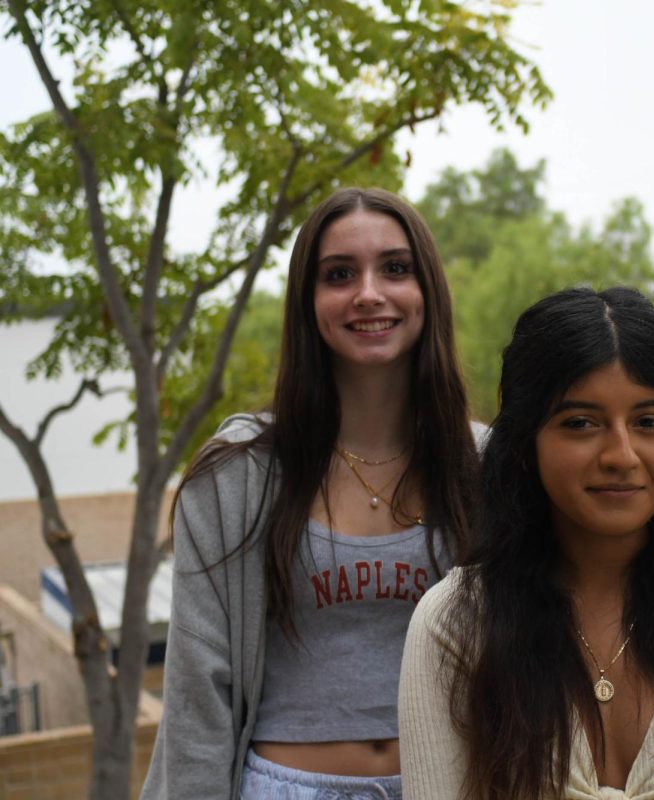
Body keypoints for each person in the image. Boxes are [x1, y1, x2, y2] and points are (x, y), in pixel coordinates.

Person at [398, 287, 654, 800]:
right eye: (581, 423)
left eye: (648, 422)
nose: (622, 454)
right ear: (526, 445)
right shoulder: (456, 625)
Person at [141, 187, 479, 799]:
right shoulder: (237, 475)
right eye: (339, 274)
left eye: (395, 268)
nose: (369, 293)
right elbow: (198, 691)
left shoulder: (486, 468)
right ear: (307, 301)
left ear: (427, 289)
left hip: (451, 785)